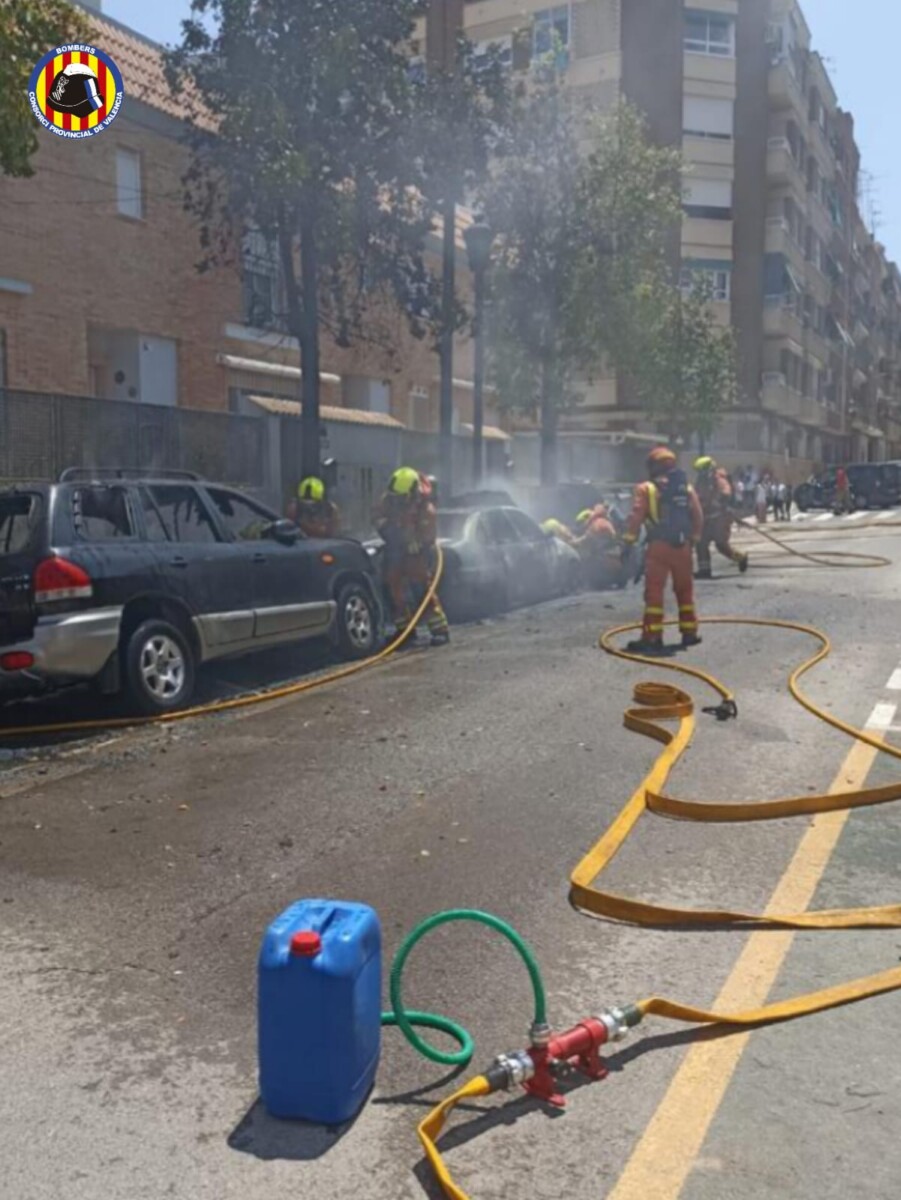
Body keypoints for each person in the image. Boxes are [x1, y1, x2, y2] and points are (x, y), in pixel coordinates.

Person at [621, 447, 703, 654]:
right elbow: (698, 516)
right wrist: (693, 539)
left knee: (654, 593)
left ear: (652, 466)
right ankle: (689, 633)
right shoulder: (687, 488)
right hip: (683, 547)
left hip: (659, 548)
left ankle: (652, 637)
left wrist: (628, 543)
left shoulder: (646, 488)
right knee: (685, 591)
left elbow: (636, 517)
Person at [376, 466, 450, 647]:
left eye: (401, 499)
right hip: (396, 550)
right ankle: (405, 630)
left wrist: (418, 543)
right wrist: (388, 531)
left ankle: (440, 630)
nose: (397, 502)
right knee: (393, 587)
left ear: (413, 493)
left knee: (422, 590)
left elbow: (428, 535)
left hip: (416, 554)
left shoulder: (425, 509)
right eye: (395, 498)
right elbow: (378, 517)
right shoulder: (388, 500)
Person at [693, 457, 748, 579]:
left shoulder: (719, 479)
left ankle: (741, 557)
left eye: (702, 471)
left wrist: (717, 501)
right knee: (701, 544)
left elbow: (726, 493)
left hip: (719, 519)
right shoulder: (700, 482)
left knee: (721, 545)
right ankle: (704, 570)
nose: (700, 475)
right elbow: (696, 495)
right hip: (706, 519)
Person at [572, 504, 621, 589]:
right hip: (613, 549)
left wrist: (573, 542)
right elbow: (613, 534)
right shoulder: (606, 521)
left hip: (602, 553)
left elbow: (586, 538)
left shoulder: (594, 524)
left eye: (581, 523)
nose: (581, 526)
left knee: (588, 560)